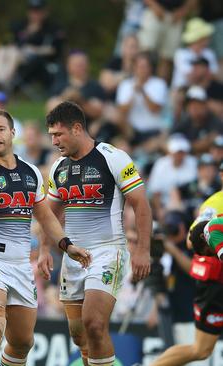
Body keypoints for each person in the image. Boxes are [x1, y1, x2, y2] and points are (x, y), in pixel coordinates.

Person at [0, 109, 90, 366]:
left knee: (23, 342)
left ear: (13, 133)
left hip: (20, 263)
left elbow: (45, 217)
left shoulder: (31, 172)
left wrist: (67, 246)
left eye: (0, 129)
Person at [38, 101, 152, 366]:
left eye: (58, 134)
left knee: (95, 323)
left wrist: (143, 250)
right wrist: (45, 249)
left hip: (107, 250)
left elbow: (141, 204)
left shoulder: (113, 157)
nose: (54, 141)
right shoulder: (58, 167)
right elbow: (49, 214)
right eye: (51, 135)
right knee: (80, 336)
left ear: (77, 128)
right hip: (73, 255)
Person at [151, 216, 223, 365]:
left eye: (209, 253)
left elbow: (191, 241)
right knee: (201, 350)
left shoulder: (211, 215)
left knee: (199, 350)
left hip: (211, 285)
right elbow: (192, 241)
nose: (211, 255)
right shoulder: (212, 212)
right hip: (213, 287)